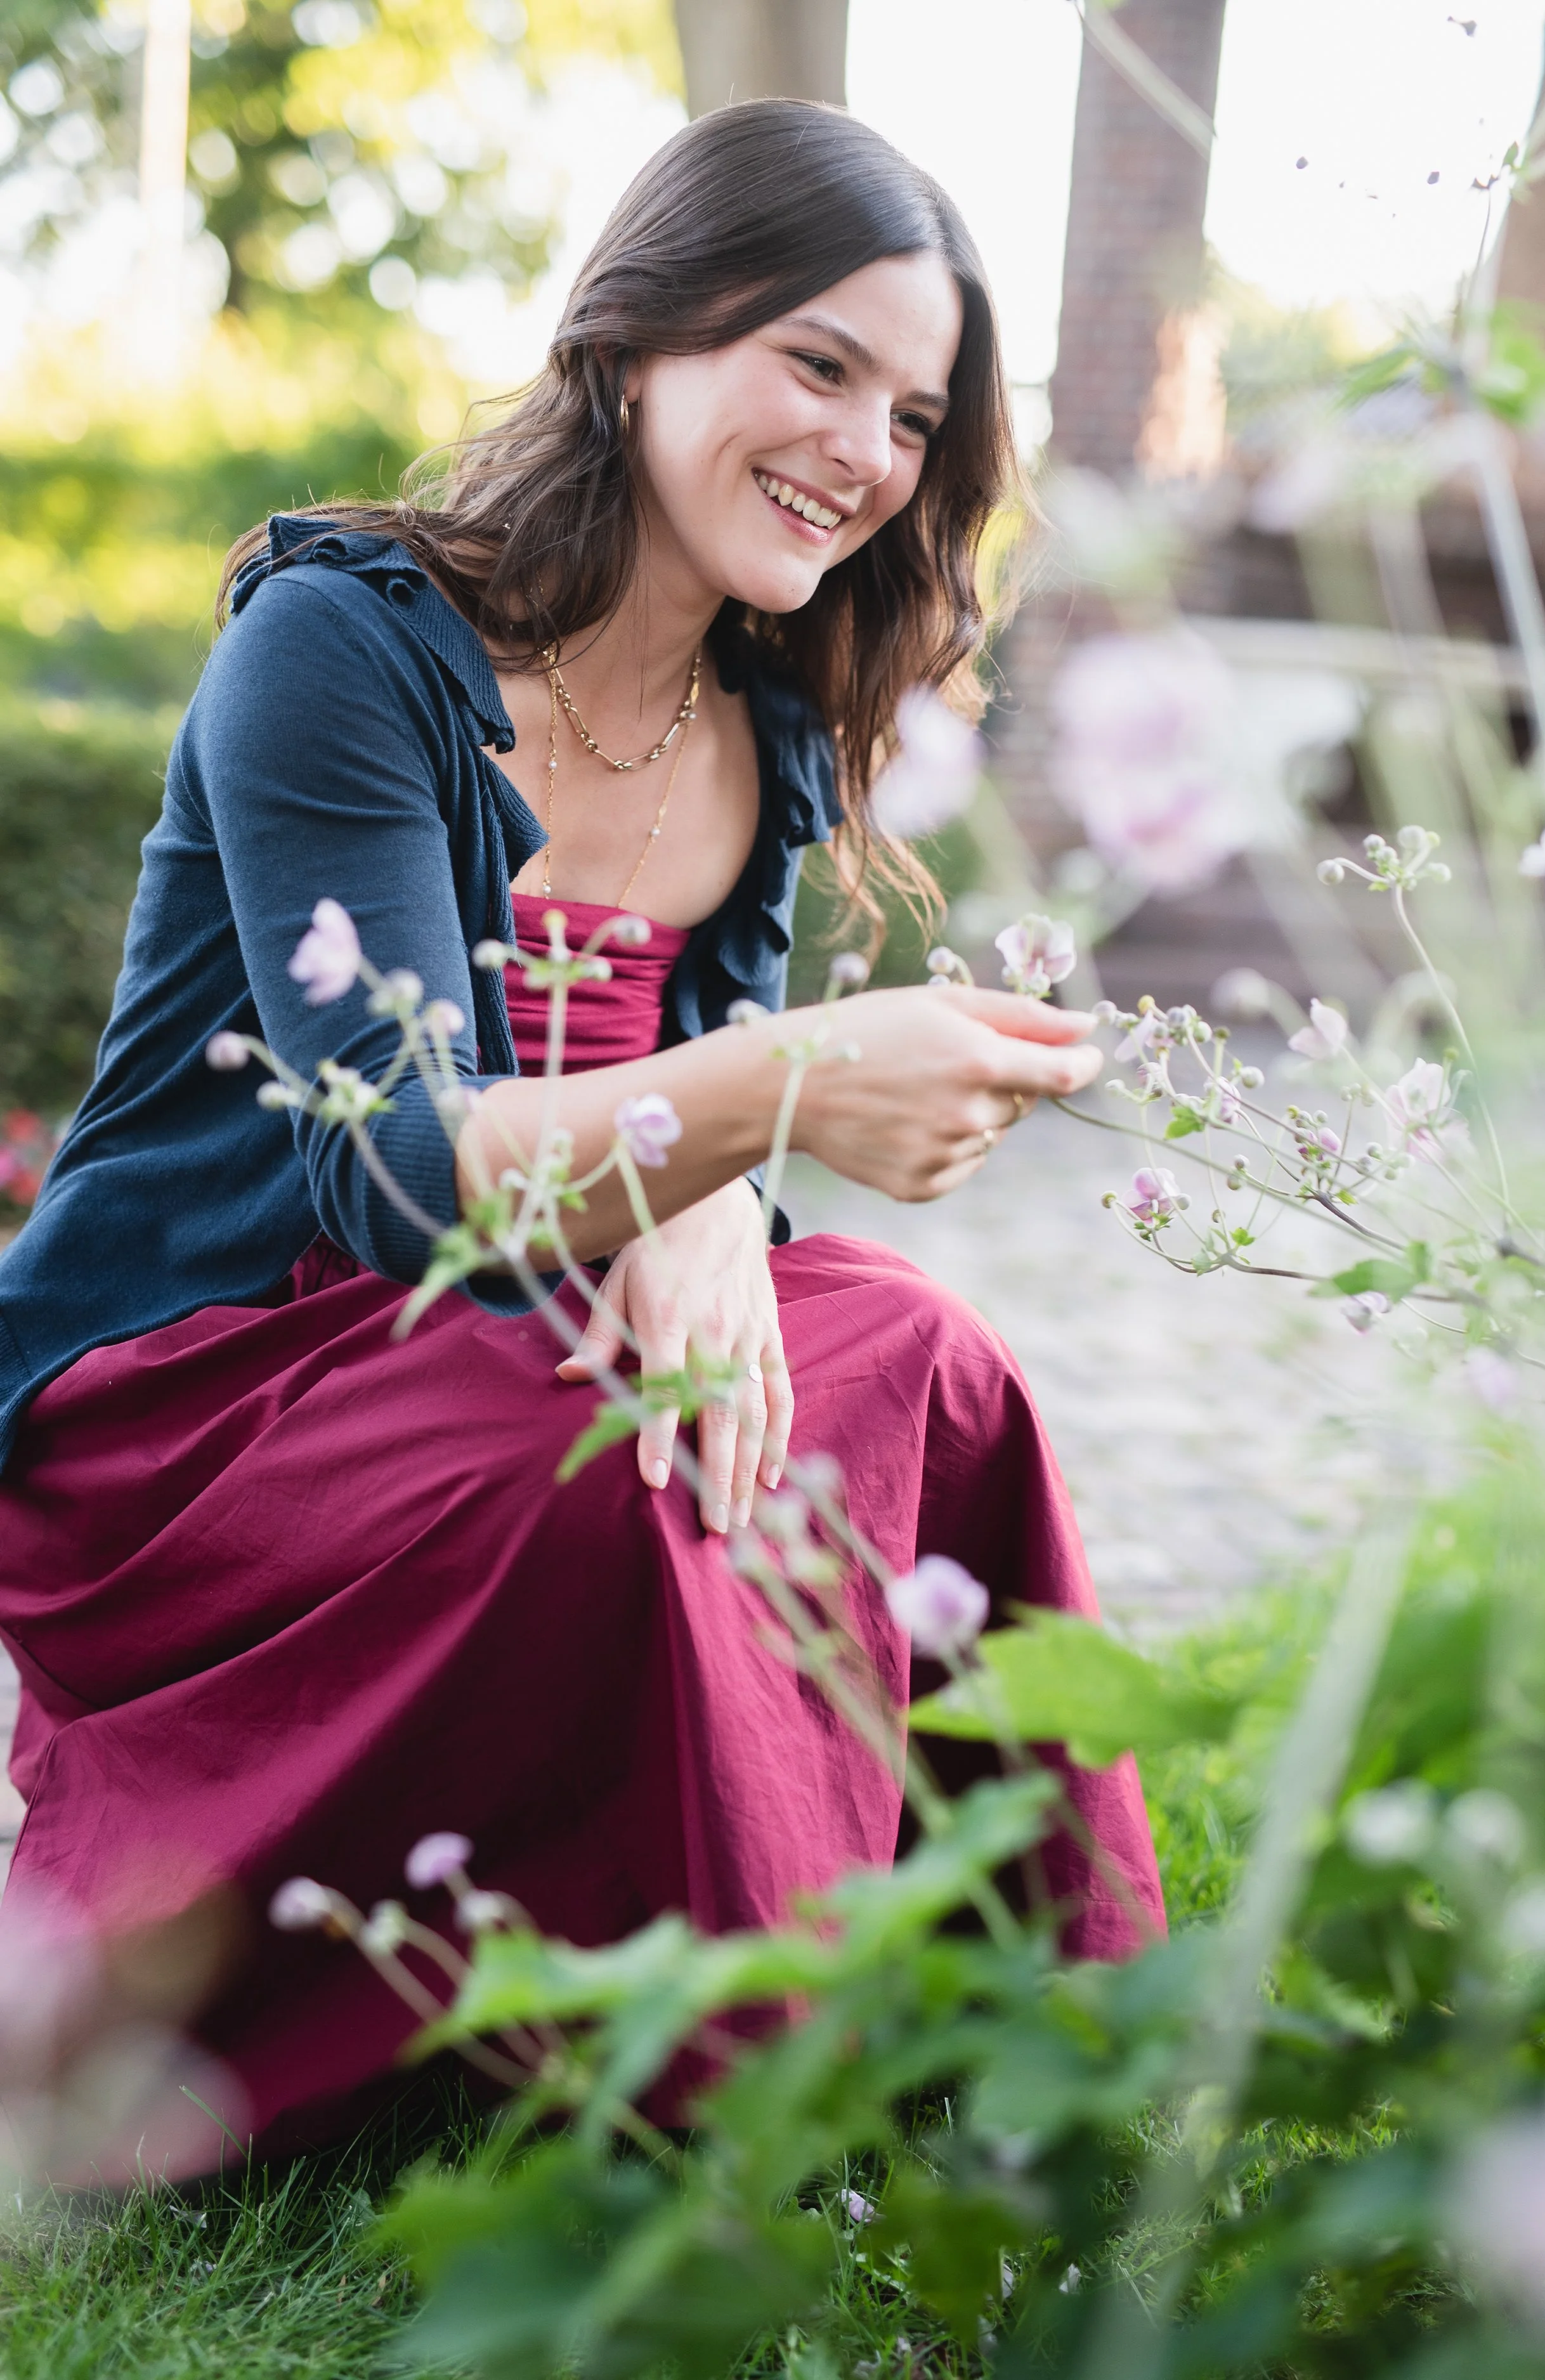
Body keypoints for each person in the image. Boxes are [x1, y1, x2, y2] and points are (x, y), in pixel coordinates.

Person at [0, 100, 1163, 2165]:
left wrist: (718, 1205)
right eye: (815, 363)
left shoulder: (775, 718)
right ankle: (726, 2103)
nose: (861, 449)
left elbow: (683, 1129)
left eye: (912, 414)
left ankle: (1040, 2027)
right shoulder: (343, 647)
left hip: (525, 1327)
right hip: (205, 1375)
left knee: (923, 1360)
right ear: (636, 341)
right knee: (637, 1447)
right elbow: (395, 1171)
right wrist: (780, 1092)